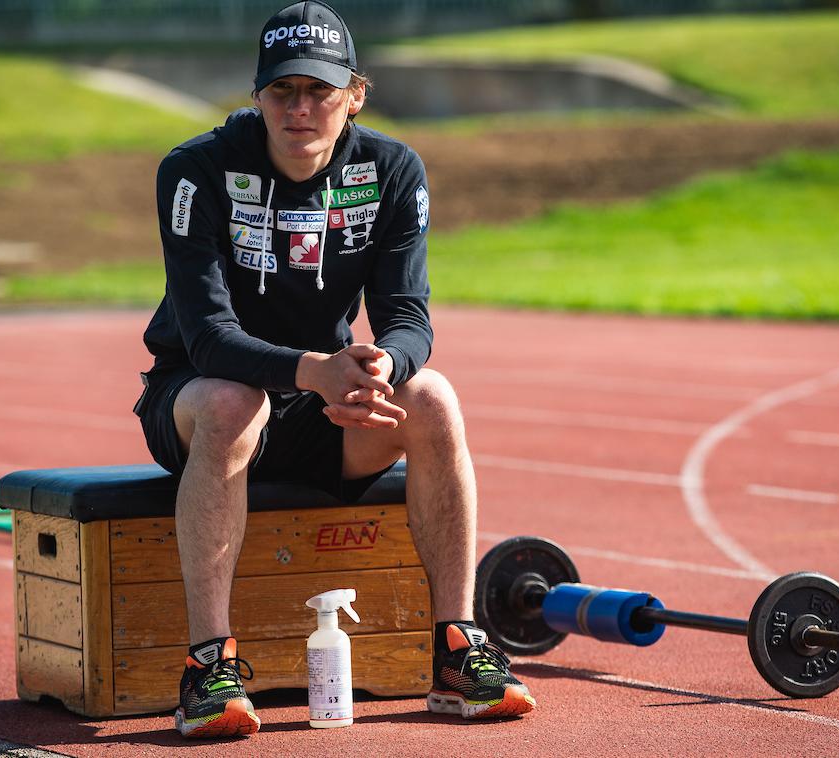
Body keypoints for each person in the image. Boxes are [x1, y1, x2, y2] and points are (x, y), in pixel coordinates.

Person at [134, 0, 535, 738]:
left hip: (325, 407)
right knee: (233, 400)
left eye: (319, 90)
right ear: (257, 96)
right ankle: (207, 665)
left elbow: (409, 318)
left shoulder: (391, 169)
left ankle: (456, 647)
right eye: (283, 90)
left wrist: (382, 368)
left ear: (354, 94)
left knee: (434, 398)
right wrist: (313, 370)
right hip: (198, 400)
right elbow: (210, 336)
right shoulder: (196, 172)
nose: (300, 108)